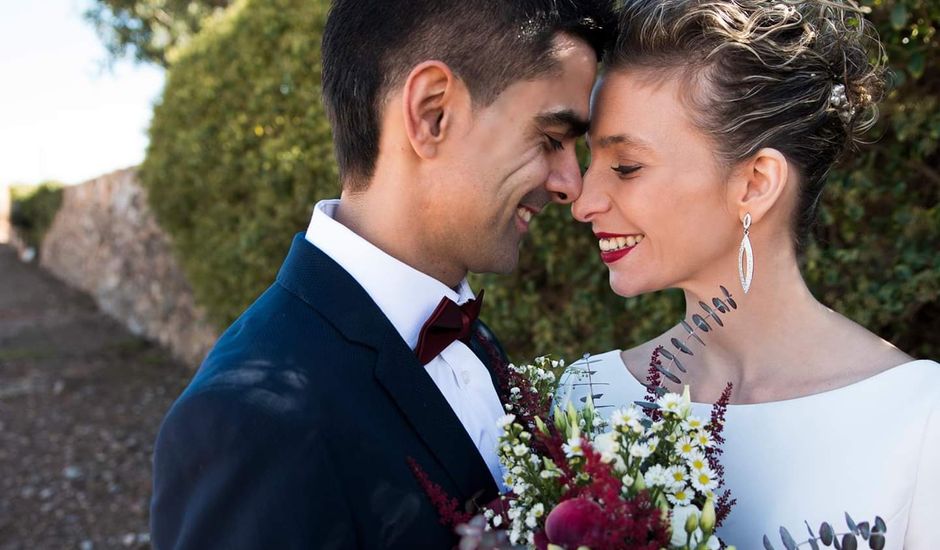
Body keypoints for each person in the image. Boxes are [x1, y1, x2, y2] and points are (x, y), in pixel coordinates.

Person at [150, 1, 614, 548]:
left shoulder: (470, 338)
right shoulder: (246, 424)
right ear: (431, 112)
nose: (571, 184)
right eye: (551, 138)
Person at [557, 0, 939, 548]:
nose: (584, 202)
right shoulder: (584, 399)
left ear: (756, 183)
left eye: (625, 167)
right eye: (590, 163)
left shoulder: (920, 420)